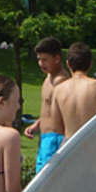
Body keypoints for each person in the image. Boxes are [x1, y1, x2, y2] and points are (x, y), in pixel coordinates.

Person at [25, 37, 69, 173]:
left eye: (45, 59)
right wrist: (37, 125)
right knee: (40, 177)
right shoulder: (49, 77)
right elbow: (48, 109)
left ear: (57, 58)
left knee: (47, 178)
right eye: (39, 59)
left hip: (55, 137)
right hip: (45, 137)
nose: (40, 63)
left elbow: (65, 112)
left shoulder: (61, 81)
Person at [52, 42, 96, 140]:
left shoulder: (59, 89)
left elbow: (56, 126)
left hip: (70, 141)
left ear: (68, 64)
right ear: (90, 64)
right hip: (92, 140)